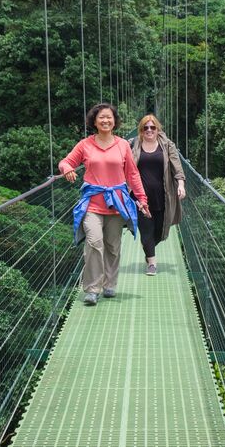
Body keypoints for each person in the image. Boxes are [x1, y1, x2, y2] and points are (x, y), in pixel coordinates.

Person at [59, 103, 150, 305]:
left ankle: (110, 284)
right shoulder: (85, 145)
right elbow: (66, 162)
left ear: (114, 121)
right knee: (94, 242)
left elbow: (132, 174)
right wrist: (67, 169)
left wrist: (142, 200)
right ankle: (92, 288)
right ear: (94, 121)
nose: (105, 121)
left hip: (116, 203)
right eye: (101, 117)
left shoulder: (122, 145)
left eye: (109, 117)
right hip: (92, 202)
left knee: (112, 246)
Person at [129, 114, 186, 276]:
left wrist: (181, 184)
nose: (149, 130)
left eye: (152, 127)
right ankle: (152, 263)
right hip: (140, 197)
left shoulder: (167, 145)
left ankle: (148, 246)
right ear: (141, 130)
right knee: (146, 230)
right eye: (145, 127)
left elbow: (177, 166)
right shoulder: (133, 144)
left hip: (163, 196)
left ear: (157, 129)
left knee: (160, 231)